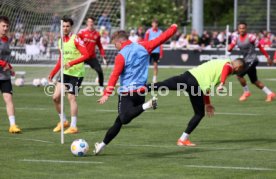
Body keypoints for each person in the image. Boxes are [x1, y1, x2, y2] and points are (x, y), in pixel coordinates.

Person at [93, 24, 178, 155]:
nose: (115, 47)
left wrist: (106, 93)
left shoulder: (121, 55)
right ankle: (102, 144)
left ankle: (147, 105)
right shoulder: (143, 46)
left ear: (119, 42)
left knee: (124, 118)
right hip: (141, 92)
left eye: (114, 44)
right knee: (120, 120)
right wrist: (173, 28)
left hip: (127, 93)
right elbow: (161, 38)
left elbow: (114, 75)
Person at [147, 58, 245, 146]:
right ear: (238, 67)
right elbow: (226, 68)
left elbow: (207, 87)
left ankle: (138, 89)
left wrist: (207, 103)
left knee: (162, 85)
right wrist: (222, 83)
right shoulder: (227, 65)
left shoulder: (221, 63)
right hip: (195, 85)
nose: (240, 72)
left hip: (188, 76)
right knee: (199, 114)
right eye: (241, 70)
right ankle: (183, 139)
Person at [48, 17, 89, 134]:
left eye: (67, 26)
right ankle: (63, 121)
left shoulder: (76, 39)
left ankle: (73, 126)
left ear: (71, 27)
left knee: (71, 98)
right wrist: (53, 73)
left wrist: (71, 63)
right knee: (55, 97)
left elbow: (86, 55)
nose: (65, 28)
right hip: (65, 73)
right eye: (63, 26)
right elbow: (61, 59)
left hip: (77, 74)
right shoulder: (60, 41)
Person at [228, 22, 275, 102]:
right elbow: (230, 47)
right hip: (246, 61)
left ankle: (246, 92)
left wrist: (267, 57)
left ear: (246, 29)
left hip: (253, 60)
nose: (242, 30)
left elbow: (260, 47)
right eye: (240, 28)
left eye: (243, 28)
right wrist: (229, 48)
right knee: (254, 81)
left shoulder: (251, 37)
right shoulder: (236, 38)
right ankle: (270, 94)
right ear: (238, 29)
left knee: (239, 75)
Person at [0, 16, 21, 133]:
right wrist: (4, 64)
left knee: (8, 98)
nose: (5, 28)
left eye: (7, 26)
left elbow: (5, 59)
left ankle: (12, 125)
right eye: (3, 26)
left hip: (4, 76)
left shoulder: (6, 40)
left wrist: (10, 68)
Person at [78, 16, 106, 88]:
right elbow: (76, 43)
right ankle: (76, 87)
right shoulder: (82, 32)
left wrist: (103, 56)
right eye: (89, 22)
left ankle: (101, 87)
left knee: (99, 71)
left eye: (92, 22)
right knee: (79, 73)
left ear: (93, 23)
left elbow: (100, 46)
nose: (90, 23)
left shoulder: (97, 34)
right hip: (82, 56)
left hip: (91, 57)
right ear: (87, 23)